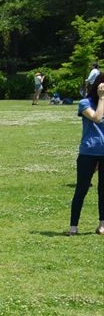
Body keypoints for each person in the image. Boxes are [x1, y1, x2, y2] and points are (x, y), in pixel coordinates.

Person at [69, 78, 104, 235]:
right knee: (81, 189)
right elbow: (96, 118)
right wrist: (102, 98)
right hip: (88, 152)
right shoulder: (85, 102)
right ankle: (73, 226)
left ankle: (102, 224)